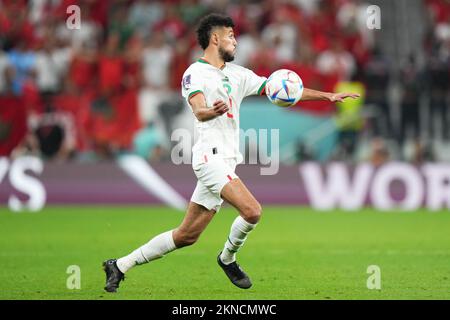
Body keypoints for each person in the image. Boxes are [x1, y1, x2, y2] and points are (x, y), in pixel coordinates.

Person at [102, 13, 360, 293]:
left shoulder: (239, 75)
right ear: (215, 38)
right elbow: (198, 108)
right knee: (252, 211)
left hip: (226, 161)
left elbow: (282, 89)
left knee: (186, 235)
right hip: (208, 158)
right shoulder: (195, 73)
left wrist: (328, 96)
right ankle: (228, 258)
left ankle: (119, 265)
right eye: (231, 36)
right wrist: (209, 111)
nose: (235, 42)